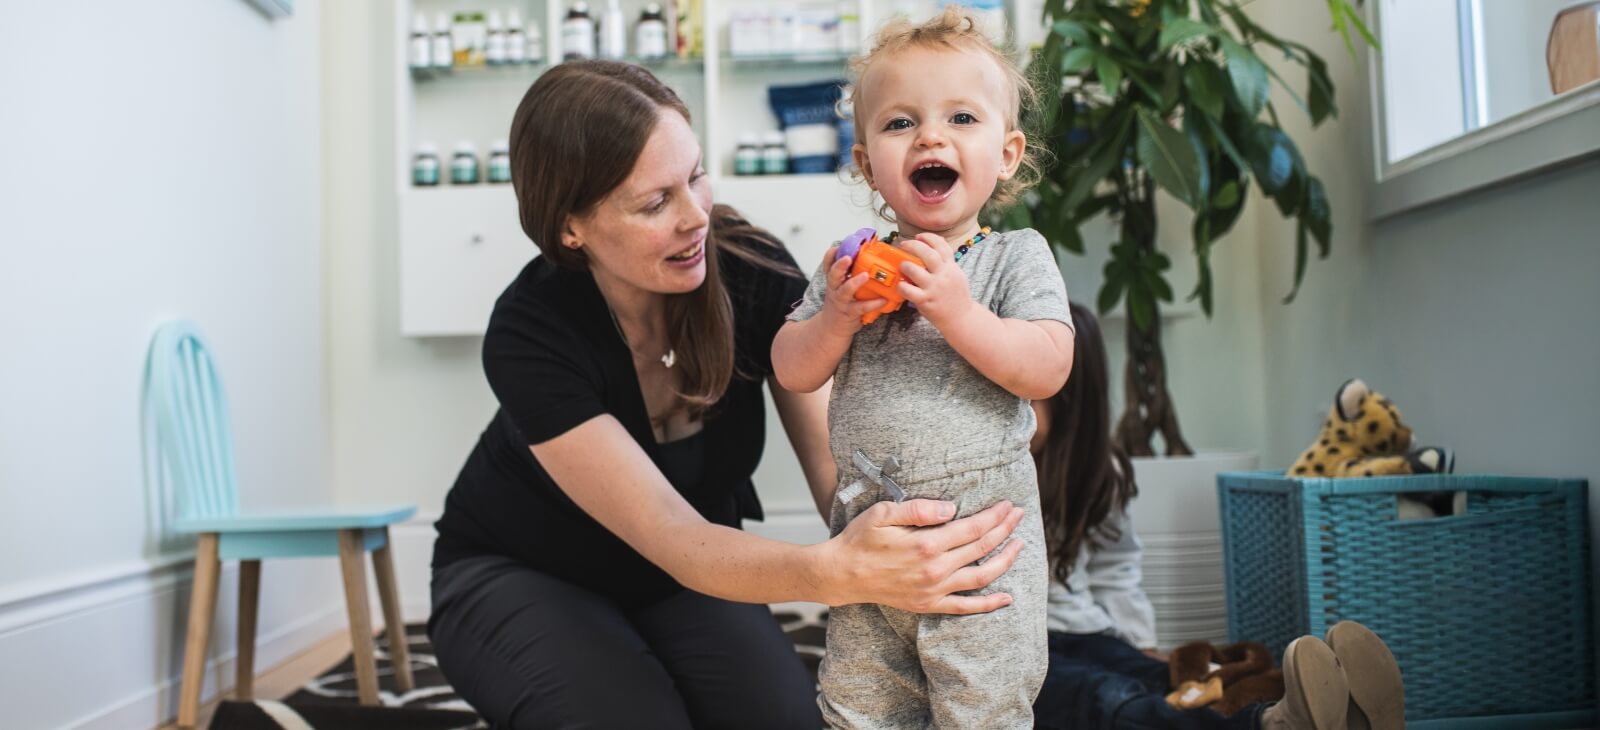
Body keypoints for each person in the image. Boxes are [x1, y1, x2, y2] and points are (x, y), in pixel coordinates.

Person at [426, 60, 1030, 730]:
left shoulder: (747, 268)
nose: (695, 218)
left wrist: (918, 549)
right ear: (572, 227)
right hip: (520, 572)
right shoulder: (530, 331)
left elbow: (836, 470)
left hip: (683, 579)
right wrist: (841, 572)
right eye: (655, 203)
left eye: (694, 177)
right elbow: (673, 536)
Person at [772, 8, 1075, 728]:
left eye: (961, 118)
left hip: (982, 560)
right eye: (900, 123)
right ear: (865, 161)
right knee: (858, 706)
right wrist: (838, 316)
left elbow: (1048, 364)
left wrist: (958, 312)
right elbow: (789, 367)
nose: (930, 136)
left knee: (982, 708)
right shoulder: (849, 268)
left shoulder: (1013, 256)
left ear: (1006, 154)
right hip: (871, 548)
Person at [1030, 302, 1407, 730]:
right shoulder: (980, 466)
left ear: (1074, 399)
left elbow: (1114, 568)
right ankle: (1271, 725)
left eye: (1031, 392)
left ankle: (1344, 710)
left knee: (1175, 677)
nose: (1017, 405)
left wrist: (1142, 644)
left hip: (1081, 631)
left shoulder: (1098, 469)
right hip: (1018, 642)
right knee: (1106, 697)